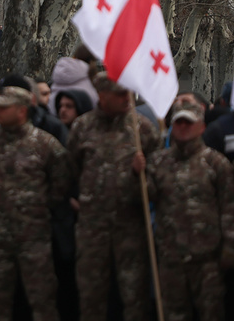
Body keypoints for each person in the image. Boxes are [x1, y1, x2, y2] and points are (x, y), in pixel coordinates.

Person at [67, 73, 160, 320]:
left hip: (130, 228)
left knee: (135, 298)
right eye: (120, 94)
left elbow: (160, 182)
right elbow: (70, 170)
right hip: (92, 229)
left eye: (128, 93)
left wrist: (140, 175)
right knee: (91, 296)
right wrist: (78, 200)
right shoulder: (82, 127)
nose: (126, 99)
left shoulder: (143, 129)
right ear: (102, 95)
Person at [0, 86, 70, 321]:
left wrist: (37, 204)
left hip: (33, 236)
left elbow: (61, 183)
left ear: (21, 111)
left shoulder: (45, 144)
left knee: (42, 300)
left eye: (3, 107)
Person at [146, 98, 234, 321]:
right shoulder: (157, 162)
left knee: (211, 313)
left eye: (189, 122)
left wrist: (230, 249)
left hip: (207, 260)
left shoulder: (216, 163)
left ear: (202, 126)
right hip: (170, 258)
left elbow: (229, 208)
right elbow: (145, 197)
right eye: (179, 123)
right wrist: (138, 175)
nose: (183, 127)